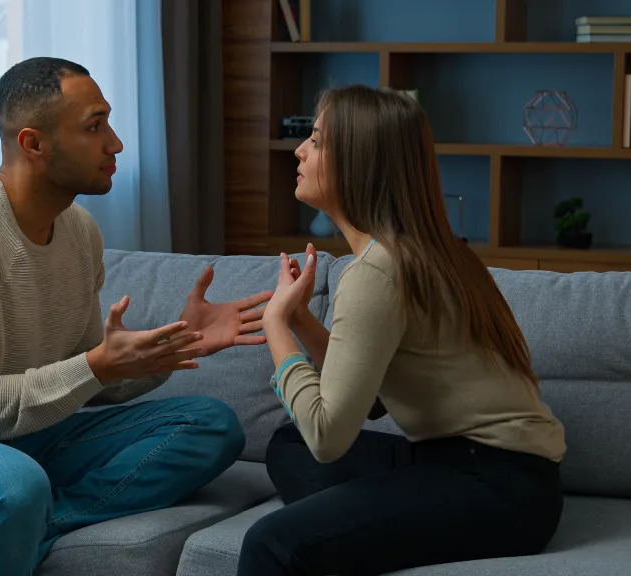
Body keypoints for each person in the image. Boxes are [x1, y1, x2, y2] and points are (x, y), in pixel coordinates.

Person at [0, 56, 272, 576]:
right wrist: (95, 366)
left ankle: (30, 527)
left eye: (108, 123)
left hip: (26, 440)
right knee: (12, 484)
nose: (115, 144)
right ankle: (13, 515)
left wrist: (172, 346)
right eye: (95, 127)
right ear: (33, 143)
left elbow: (85, 379)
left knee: (210, 425)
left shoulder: (80, 230)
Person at [237, 84, 567, 576]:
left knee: (271, 544)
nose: (299, 149)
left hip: (498, 487)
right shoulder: (425, 250)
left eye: (317, 139)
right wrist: (304, 319)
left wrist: (276, 323)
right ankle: (369, 525)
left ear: (358, 160)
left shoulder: (378, 269)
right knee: (288, 445)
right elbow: (371, 404)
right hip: (458, 464)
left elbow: (330, 435)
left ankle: (359, 527)